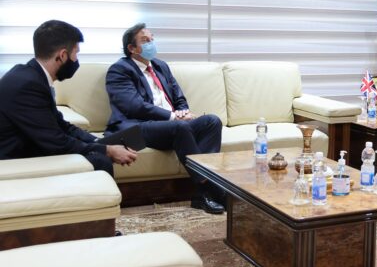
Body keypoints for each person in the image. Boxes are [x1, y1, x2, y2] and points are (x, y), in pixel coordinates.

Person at [106, 23, 225, 214]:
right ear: (132, 48)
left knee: (212, 121)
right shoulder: (119, 70)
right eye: (145, 41)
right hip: (139, 126)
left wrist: (183, 111)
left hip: (170, 126)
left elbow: (178, 97)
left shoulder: (161, 66)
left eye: (152, 39)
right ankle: (209, 188)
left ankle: (202, 192)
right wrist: (172, 117)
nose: (151, 43)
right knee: (180, 128)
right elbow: (134, 106)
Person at [0, 20, 137, 174]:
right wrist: (107, 150)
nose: (76, 60)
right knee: (100, 160)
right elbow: (56, 141)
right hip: (13, 157)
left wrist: (98, 141)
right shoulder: (29, 85)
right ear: (63, 55)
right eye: (76, 53)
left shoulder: (31, 75)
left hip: (29, 144)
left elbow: (61, 125)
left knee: (97, 155)